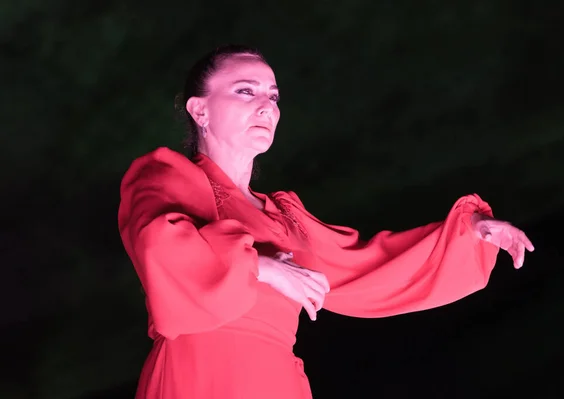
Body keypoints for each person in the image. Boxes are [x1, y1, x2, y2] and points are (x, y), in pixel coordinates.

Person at [117, 44, 534, 399]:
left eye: (274, 96)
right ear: (200, 110)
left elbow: (367, 265)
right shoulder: (166, 177)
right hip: (200, 375)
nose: (267, 105)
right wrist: (261, 268)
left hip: (277, 381)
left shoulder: (286, 217)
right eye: (246, 91)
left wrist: (472, 231)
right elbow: (159, 246)